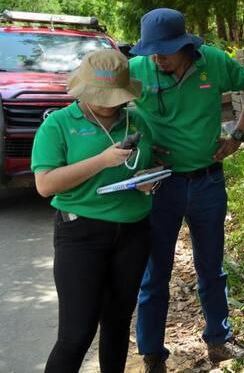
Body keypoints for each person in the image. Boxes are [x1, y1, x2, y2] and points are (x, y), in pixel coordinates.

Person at [129, 8, 244, 372]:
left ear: (185, 45)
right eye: (151, 51)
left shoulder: (214, 62)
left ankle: (219, 340)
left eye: (164, 51)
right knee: (155, 273)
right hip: (161, 183)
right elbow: (109, 105)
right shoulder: (138, 68)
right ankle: (152, 354)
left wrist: (238, 135)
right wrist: (141, 141)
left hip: (207, 181)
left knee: (211, 267)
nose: (157, 58)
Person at [32, 50, 155, 372]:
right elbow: (45, 184)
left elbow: (147, 163)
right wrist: (101, 161)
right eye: (100, 95)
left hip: (133, 231)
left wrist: (147, 179)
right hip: (80, 234)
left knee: (117, 323)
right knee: (76, 333)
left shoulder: (137, 121)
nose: (108, 104)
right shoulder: (58, 125)